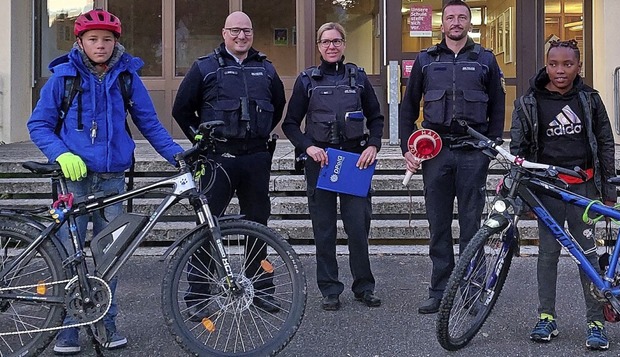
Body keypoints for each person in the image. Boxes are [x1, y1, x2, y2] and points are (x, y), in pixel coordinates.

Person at [27, 9, 184, 355]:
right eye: (93, 39)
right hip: (75, 182)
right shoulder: (63, 78)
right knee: (71, 257)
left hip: (113, 182)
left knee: (109, 256)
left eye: (107, 39)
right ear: (80, 42)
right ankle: (68, 329)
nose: (101, 45)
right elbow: (38, 124)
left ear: (116, 43)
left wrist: (177, 155)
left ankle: (104, 323)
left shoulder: (127, 77)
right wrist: (61, 154)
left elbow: (151, 124)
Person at [172, 11, 286, 316]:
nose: (241, 36)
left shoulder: (266, 69)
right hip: (216, 160)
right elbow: (181, 110)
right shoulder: (204, 68)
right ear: (224, 33)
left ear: (252, 34)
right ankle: (198, 296)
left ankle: (261, 289)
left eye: (246, 31)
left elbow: (277, 107)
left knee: (258, 227)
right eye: (235, 31)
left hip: (256, 159)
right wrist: (201, 141)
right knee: (206, 229)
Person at [399, 0, 505, 315]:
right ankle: (440, 291)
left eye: (461, 17)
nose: (456, 22)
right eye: (450, 18)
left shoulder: (485, 59)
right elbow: (409, 107)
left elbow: (498, 105)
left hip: (473, 154)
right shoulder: (426, 61)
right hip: (436, 153)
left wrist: (491, 146)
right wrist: (408, 146)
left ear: (469, 23)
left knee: (472, 225)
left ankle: (473, 291)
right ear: (441, 24)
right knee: (439, 225)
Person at [510, 39, 616, 350]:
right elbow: (520, 151)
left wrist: (608, 190)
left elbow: (605, 143)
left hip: (583, 188)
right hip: (548, 189)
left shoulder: (590, 99)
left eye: (567, 64)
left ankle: (596, 322)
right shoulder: (529, 102)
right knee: (548, 254)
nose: (560, 70)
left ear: (578, 67)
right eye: (554, 64)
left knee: (587, 255)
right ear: (546, 64)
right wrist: (525, 195)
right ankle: (546, 317)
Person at [282, 22, 384, 311]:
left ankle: (364, 287)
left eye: (336, 41)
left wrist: (373, 145)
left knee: (357, 228)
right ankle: (329, 289)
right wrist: (308, 146)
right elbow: (290, 124)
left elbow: (376, 118)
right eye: (325, 42)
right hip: (321, 163)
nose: (331, 46)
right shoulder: (306, 81)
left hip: (354, 162)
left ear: (344, 44)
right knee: (324, 229)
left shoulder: (359, 78)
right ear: (318, 46)